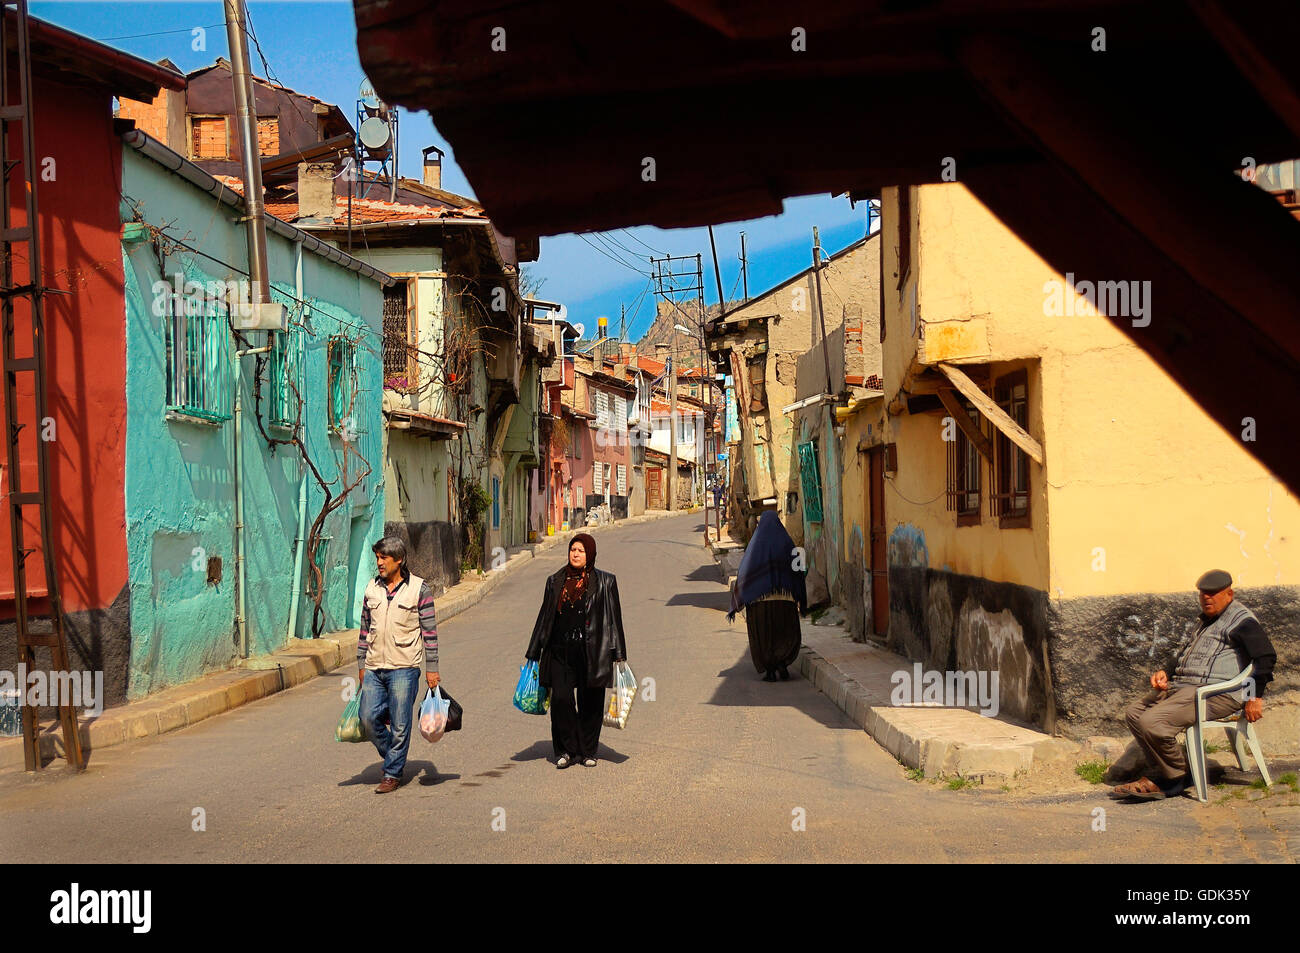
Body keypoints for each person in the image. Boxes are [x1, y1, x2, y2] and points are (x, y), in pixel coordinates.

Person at [1112, 569, 1276, 801]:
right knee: (1134, 713)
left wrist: (1254, 697)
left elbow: (1265, 658)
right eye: (1202, 594)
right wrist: (1165, 673)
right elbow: (1184, 654)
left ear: (1229, 593)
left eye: (1212, 594)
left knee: (1151, 722)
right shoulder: (1205, 620)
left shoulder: (1243, 622)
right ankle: (1168, 769)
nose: (1206, 598)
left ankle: (1173, 778)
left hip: (1217, 694)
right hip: (1184, 688)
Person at [524, 533, 628, 768]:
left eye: (581, 550)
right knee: (561, 700)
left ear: (590, 553)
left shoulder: (605, 582)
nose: (576, 554)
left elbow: (614, 620)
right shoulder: (555, 581)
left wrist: (619, 653)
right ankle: (566, 750)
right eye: (573, 549)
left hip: (592, 652)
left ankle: (588, 751)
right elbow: (544, 618)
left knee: (590, 702)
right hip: (559, 651)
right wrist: (533, 651)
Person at [357, 536, 439, 794]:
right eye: (377, 558)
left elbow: (430, 632)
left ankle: (392, 773)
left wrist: (432, 668)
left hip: (405, 667)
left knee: (401, 723)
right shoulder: (372, 588)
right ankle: (395, 756)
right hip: (374, 666)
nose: (379, 563)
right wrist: (361, 661)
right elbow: (364, 628)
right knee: (368, 718)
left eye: (384, 558)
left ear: (399, 560)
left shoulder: (419, 589)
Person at [727, 510, 807, 681]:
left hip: (760, 603)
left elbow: (745, 572)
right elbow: (798, 571)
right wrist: (799, 595)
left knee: (763, 635)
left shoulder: (756, 547)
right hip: (785, 603)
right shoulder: (787, 543)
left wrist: (741, 597)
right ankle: (782, 664)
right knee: (784, 633)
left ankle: (770, 670)